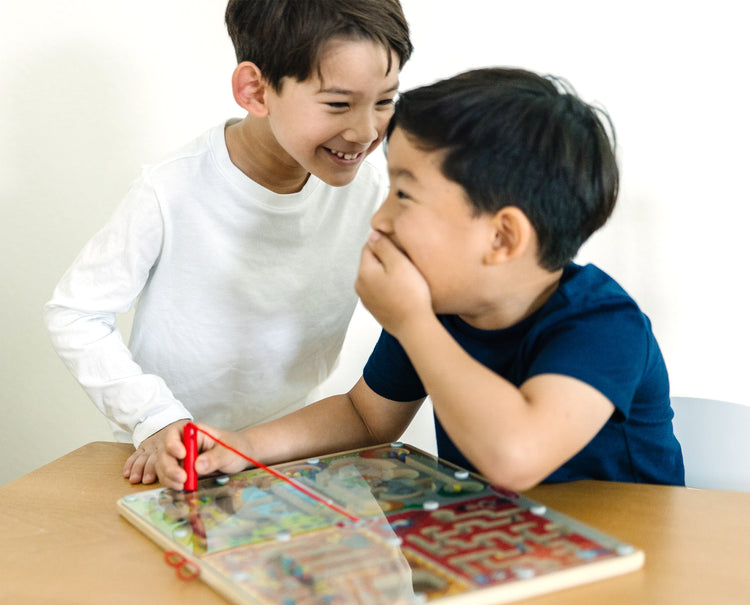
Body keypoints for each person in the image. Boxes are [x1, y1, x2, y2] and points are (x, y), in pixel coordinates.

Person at [155, 67, 685, 492]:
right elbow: (366, 417)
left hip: (629, 584)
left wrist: (411, 320)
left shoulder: (603, 326)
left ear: (502, 239)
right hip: (502, 568)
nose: (379, 218)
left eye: (404, 195)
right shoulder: (440, 311)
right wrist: (245, 444)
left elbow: (515, 458)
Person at [43, 0, 412, 485]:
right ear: (255, 90)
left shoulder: (369, 195)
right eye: (339, 104)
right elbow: (74, 313)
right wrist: (155, 419)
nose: (366, 131)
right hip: (174, 456)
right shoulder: (170, 190)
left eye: (384, 101)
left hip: (285, 455)